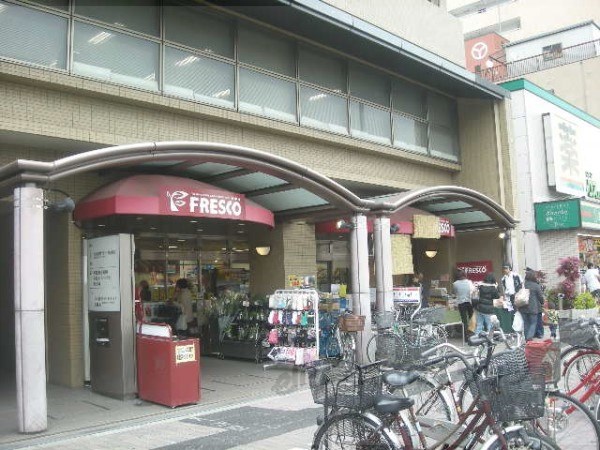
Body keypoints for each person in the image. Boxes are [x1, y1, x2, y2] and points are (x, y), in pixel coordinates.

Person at [520, 270, 544, 341]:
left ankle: (527, 339)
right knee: (533, 323)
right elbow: (540, 297)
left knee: (526, 323)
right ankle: (529, 338)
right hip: (532, 308)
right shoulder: (536, 286)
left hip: (523, 307)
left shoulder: (522, 285)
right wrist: (542, 302)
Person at [452, 269, 475, 339]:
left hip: (461, 303)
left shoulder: (455, 283)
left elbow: (454, 293)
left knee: (464, 320)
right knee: (472, 318)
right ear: (465, 275)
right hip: (469, 302)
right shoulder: (469, 282)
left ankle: (465, 336)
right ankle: (472, 333)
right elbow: (473, 290)